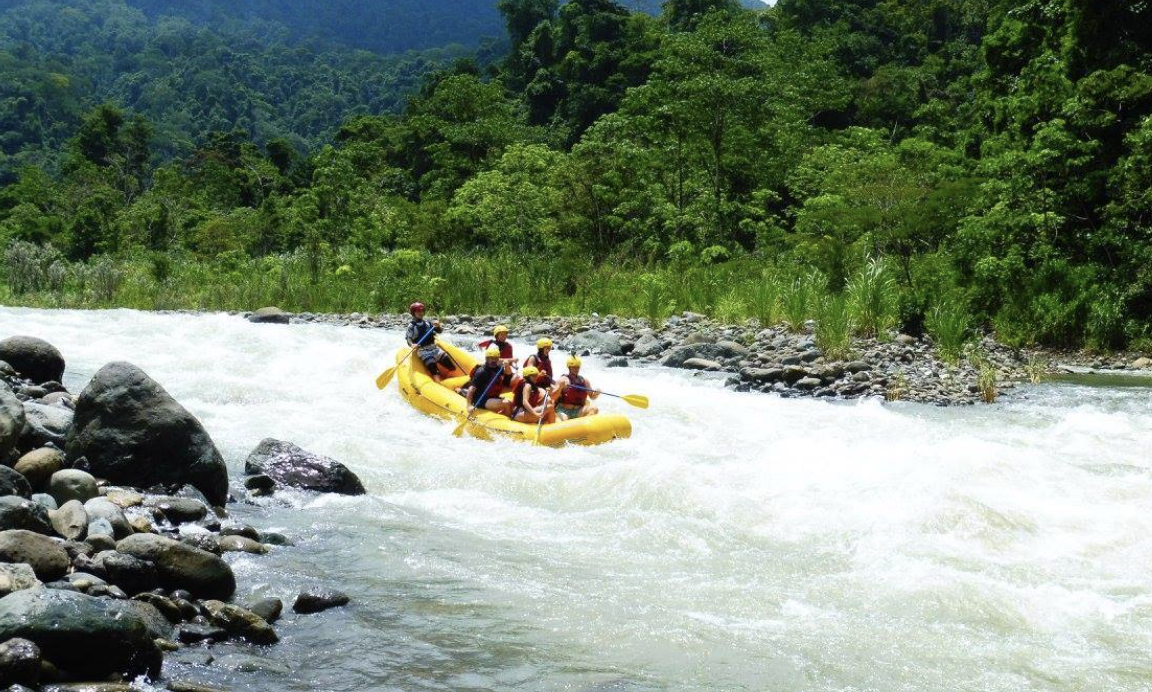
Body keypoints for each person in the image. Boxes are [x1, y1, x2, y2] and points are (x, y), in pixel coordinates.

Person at [405, 302, 455, 383]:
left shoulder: (427, 323)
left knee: (448, 362)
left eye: (422, 311)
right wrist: (412, 344)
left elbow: (439, 331)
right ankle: (439, 385)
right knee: (433, 367)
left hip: (434, 348)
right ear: (413, 313)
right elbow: (408, 339)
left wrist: (438, 326)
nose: (421, 313)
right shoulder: (411, 326)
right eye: (418, 311)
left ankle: (452, 380)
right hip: (423, 351)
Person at [464, 346, 513, 416]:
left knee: (511, 403)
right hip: (481, 400)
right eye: (492, 358)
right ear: (487, 358)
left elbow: (508, 374)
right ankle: (508, 421)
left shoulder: (497, 368)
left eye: (496, 358)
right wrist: (469, 406)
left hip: (492, 397)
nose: (494, 360)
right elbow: (471, 389)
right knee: (507, 404)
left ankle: (503, 418)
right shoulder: (481, 371)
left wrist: (507, 366)